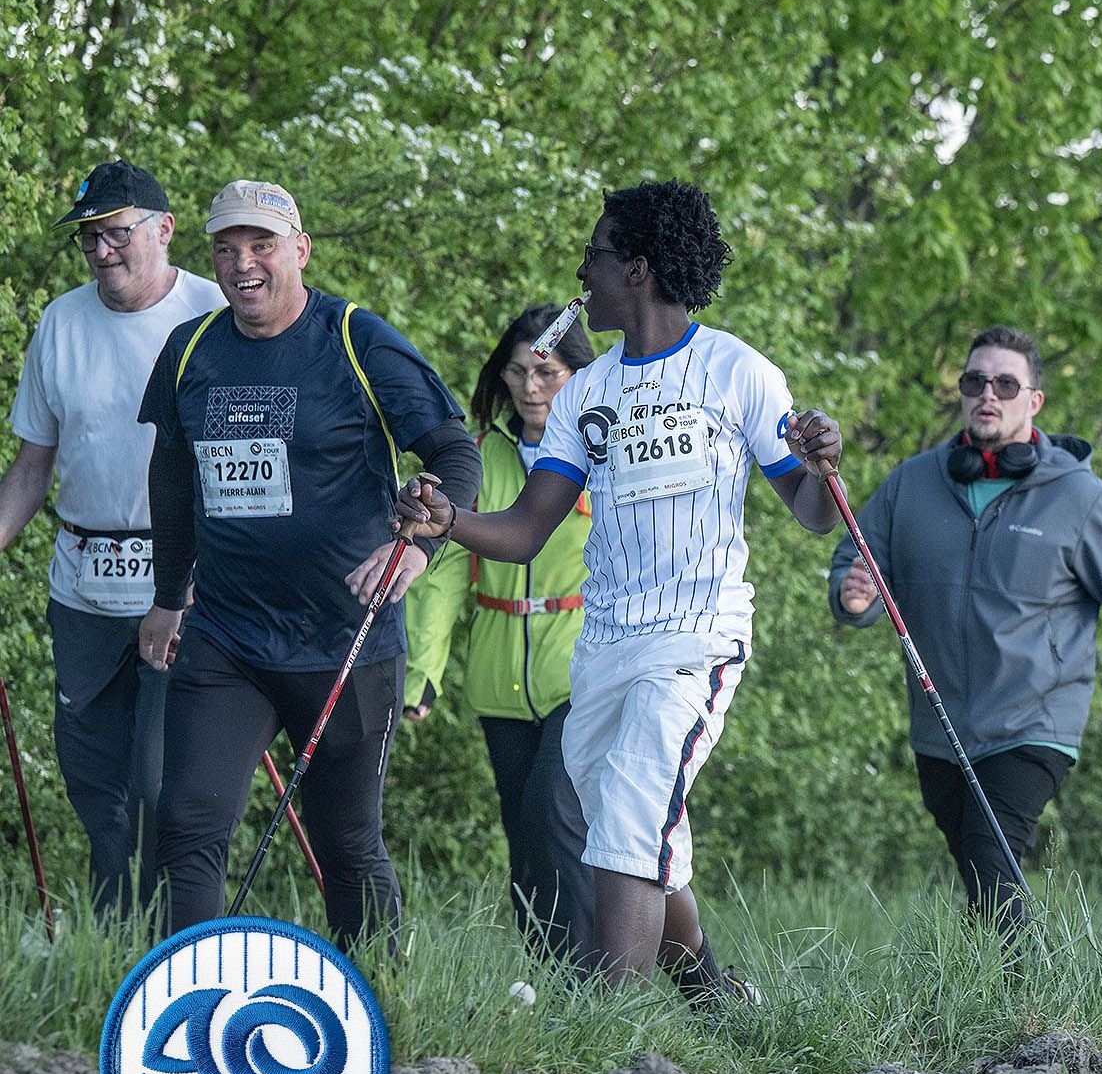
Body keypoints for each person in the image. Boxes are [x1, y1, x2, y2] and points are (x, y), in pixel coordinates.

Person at [393, 180, 842, 997]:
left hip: (696, 637)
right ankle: (711, 994)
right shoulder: (588, 392)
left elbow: (814, 513)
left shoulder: (736, 370)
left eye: (593, 254)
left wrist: (822, 464)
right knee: (632, 830)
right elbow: (526, 529)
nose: (582, 272)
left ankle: (608, 1025)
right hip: (604, 647)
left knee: (634, 813)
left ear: (636, 268)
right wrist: (447, 518)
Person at [135, 179, 482, 946]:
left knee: (346, 841)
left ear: (300, 249)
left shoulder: (357, 338)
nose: (243, 264)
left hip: (345, 638)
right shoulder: (191, 349)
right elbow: (173, 477)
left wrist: (419, 546)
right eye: (226, 249)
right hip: (228, 635)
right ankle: (183, 992)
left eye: (261, 245)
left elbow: (457, 455)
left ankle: (379, 994)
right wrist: (167, 594)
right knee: (187, 822)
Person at [827, 325, 1102, 944]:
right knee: (981, 870)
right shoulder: (911, 485)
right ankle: (1000, 989)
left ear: (1034, 401)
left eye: (1006, 384)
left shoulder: (1079, 498)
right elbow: (858, 559)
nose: (988, 394)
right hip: (941, 721)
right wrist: (854, 597)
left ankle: (1033, 990)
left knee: (990, 851)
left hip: (1035, 717)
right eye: (975, 381)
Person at [0, 160, 229, 919]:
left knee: (164, 783)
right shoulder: (61, 323)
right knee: (96, 785)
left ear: (164, 230)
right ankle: (109, 942)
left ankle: (171, 942)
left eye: (116, 232)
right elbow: (31, 469)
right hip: (83, 586)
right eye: (89, 237)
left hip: (187, 587)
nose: (102, 251)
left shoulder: (214, 310)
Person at [403, 304, 599, 966]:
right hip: (499, 679)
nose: (530, 387)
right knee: (523, 835)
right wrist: (422, 674)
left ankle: (591, 982)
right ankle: (549, 982)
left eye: (547, 372)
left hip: (582, 670)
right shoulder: (481, 456)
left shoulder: (604, 454)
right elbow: (442, 577)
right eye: (517, 372)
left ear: (578, 376)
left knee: (554, 813)